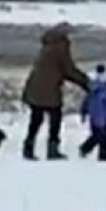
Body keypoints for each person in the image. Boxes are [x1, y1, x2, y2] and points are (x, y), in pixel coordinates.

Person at [22, 22, 89, 161]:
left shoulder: (47, 46)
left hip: (34, 87)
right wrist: (85, 82)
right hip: (49, 90)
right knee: (55, 118)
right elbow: (68, 70)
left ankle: (28, 148)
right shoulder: (61, 47)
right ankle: (52, 150)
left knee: (36, 118)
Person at [79, 64, 106, 162]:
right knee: (101, 136)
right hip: (100, 118)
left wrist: (83, 113)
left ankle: (101, 155)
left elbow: (85, 103)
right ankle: (96, 153)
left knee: (102, 136)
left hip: (100, 118)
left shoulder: (94, 90)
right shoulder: (101, 92)